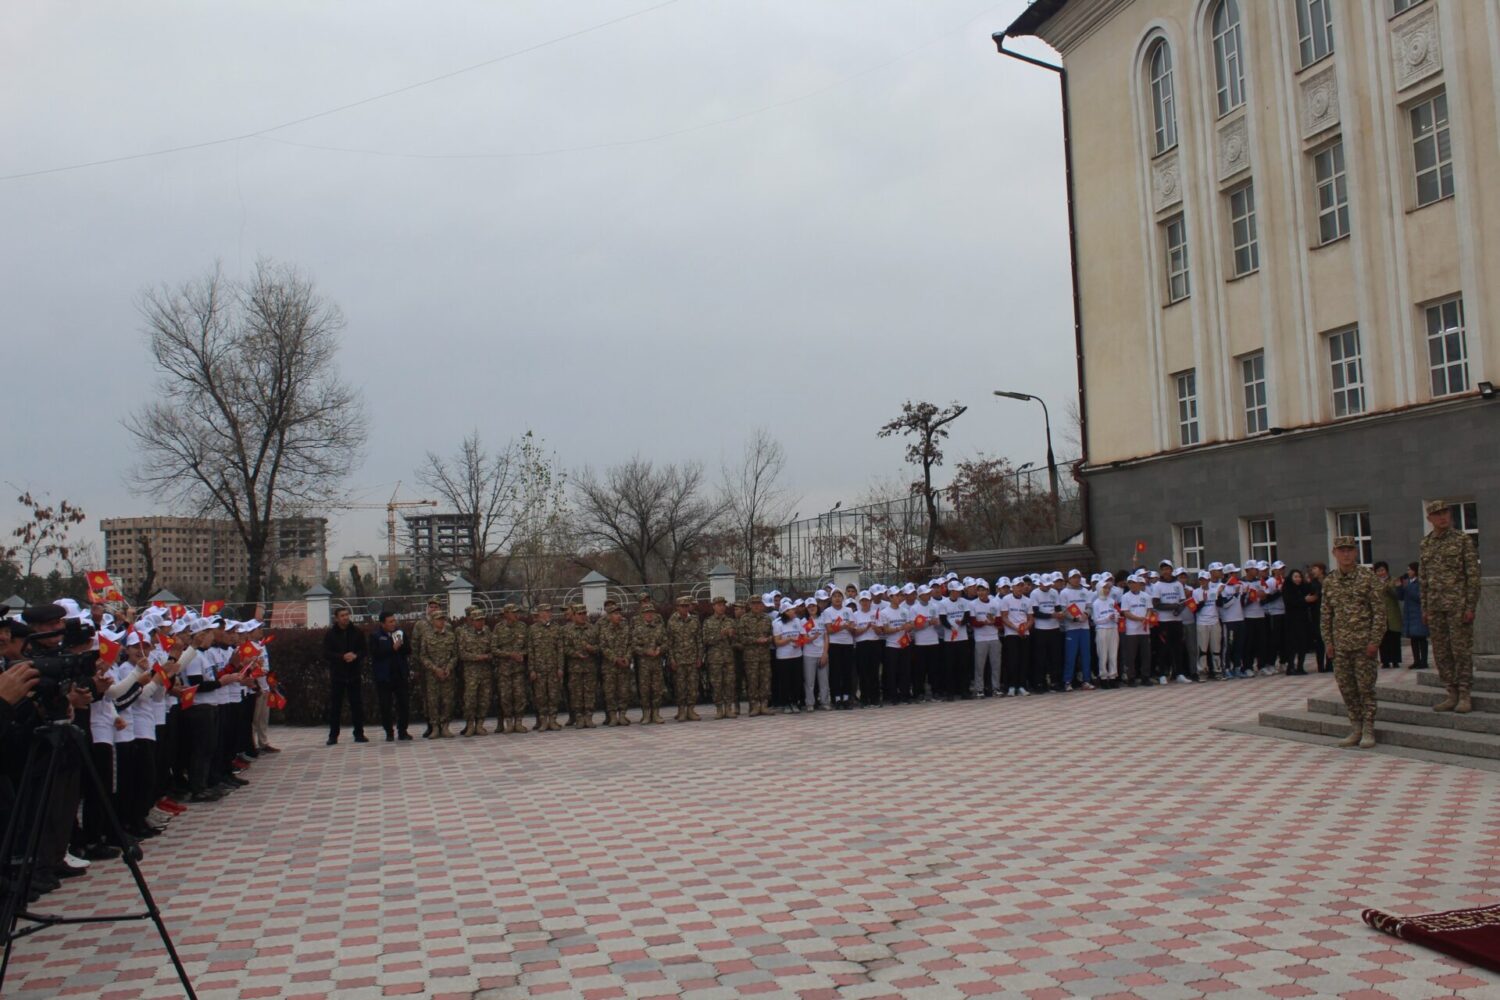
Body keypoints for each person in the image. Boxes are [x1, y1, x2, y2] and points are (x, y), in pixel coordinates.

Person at [1322, 535, 1386, 748]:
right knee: (1347, 688)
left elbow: (1379, 613)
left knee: (1366, 688)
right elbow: (1326, 615)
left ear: (1356, 552)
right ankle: (1355, 727)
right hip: (1341, 645)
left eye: (1350, 549)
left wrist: (1375, 641)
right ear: (1335, 553)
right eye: (1342, 550)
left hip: (1363, 644)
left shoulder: (1368, 578)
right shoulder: (1330, 581)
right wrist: (1328, 642)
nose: (1346, 554)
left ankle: (1368, 729)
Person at [1420, 499, 1481, 713]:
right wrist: (1425, 607)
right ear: (1430, 519)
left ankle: (1465, 693)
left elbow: (1473, 576)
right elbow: (1424, 578)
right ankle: (1451, 691)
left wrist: (1470, 605)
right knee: (1441, 652)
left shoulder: (1462, 540)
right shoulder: (1426, 544)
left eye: (1445, 513)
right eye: (1437, 514)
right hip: (1436, 607)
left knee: (1460, 650)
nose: (1442, 517)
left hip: (1458, 606)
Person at [321, 607, 368, 745]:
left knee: (356, 705)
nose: (345, 618)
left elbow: (364, 650)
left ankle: (359, 733)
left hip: (354, 673)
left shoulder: (357, 632)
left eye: (347, 615)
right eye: (342, 615)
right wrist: (341, 656)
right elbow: (326, 653)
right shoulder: (330, 634)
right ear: (337, 618)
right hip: (338, 674)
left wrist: (355, 656)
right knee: (336, 707)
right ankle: (333, 735)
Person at [370, 611, 412, 741]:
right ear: (383, 623)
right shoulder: (376, 636)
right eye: (390, 621)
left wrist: (401, 645)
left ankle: (403, 731)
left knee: (404, 704)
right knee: (385, 706)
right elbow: (375, 653)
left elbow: (408, 650)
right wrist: (392, 648)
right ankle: (389, 731)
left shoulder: (400, 633)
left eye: (394, 621)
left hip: (400, 675)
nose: (394, 623)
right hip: (384, 676)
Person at [489, 604, 530, 733]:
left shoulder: (523, 627)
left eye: (517, 612)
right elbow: (494, 649)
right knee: (505, 696)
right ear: (506, 614)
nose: (516, 615)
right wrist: (509, 655)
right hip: (504, 670)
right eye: (513, 612)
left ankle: (519, 722)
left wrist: (521, 654)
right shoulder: (498, 628)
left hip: (518, 669)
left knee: (519, 696)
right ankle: (509, 723)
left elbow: (529, 647)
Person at [419, 610, 458, 737]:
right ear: (433, 621)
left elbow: (455, 655)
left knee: (448, 701)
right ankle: (435, 727)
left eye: (443, 619)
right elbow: (423, 656)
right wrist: (435, 669)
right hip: (433, 675)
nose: (441, 621)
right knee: (433, 701)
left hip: (447, 674)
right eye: (438, 619)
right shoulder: (427, 636)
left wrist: (449, 668)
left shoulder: (451, 636)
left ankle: (445, 726)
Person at [527, 605, 565, 731]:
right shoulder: (532, 629)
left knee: (554, 695)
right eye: (547, 612)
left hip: (553, 668)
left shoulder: (556, 628)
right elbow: (530, 651)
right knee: (541, 696)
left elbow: (560, 650)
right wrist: (531, 669)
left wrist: (560, 667)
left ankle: (553, 720)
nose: (549, 614)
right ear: (540, 613)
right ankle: (543, 721)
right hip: (539, 670)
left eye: (550, 611)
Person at [456, 606, 493, 736]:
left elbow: (493, 649)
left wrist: (488, 656)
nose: (480, 622)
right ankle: (470, 724)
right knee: (470, 699)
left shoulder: (488, 632)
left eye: (482, 620)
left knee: (484, 699)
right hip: (471, 672)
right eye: (477, 620)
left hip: (485, 672)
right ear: (471, 621)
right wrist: (477, 657)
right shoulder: (464, 634)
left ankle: (480, 725)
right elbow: (461, 653)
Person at [597, 602, 635, 726]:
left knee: (624, 691)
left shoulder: (626, 629)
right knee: (610, 692)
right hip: (610, 667)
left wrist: (627, 658)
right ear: (609, 616)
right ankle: (613, 716)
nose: (618, 616)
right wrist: (615, 659)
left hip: (624, 666)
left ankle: (623, 715)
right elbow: (603, 647)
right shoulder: (604, 631)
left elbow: (630, 645)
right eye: (615, 613)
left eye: (619, 613)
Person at [562, 605, 600, 729]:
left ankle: (588, 717)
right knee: (576, 693)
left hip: (590, 667)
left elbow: (600, 646)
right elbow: (564, 648)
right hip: (575, 668)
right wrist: (575, 653)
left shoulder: (593, 629)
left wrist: (591, 648)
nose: (583, 616)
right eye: (580, 614)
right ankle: (578, 717)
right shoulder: (567, 630)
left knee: (589, 692)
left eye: (584, 613)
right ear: (574, 615)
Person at [631, 602, 669, 724]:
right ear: (642, 614)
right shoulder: (638, 630)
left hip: (656, 663)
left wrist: (660, 649)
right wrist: (645, 651)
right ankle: (646, 714)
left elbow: (666, 643)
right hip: (643, 664)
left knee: (657, 688)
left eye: (651, 612)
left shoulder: (659, 628)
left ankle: (656, 713)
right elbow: (634, 646)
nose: (649, 615)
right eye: (646, 613)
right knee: (644, 689)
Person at [736, 594, 774, 716]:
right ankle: (754, 706)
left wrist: (768, 639)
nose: (757, 606)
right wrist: (755, 640)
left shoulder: (767, 619)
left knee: (765, 680)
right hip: (750, 656)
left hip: (764, 655)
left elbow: (773, 635)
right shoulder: (745, 619)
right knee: (752, 681)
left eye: (759, 603)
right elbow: (741, 637)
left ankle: (764, 705)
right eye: (754, 604)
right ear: (750, 605)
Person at [666, 596, 703, 721]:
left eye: (687, 606)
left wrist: (699, 657)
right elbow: (669, 643)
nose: (685, 608)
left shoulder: (694, 621)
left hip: (692, 659)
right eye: (682, 606)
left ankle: (691, 710)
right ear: (677, 607)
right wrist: (671, 659)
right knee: (680, 687)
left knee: (693, 686)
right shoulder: (672, 622)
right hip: (679, 659)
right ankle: (681, 710)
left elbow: (699, 640)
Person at [701, 596, 738, 719]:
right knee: (717, 684)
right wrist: (720, 635)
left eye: (723, 605)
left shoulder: (730, 621)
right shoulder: (708, 622)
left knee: (729, 683)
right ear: (714, 606)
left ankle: (728, 708)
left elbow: (736, 640)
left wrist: (732, 635)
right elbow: (705, 640)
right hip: (715, 659)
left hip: (728, 658)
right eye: (719, 605)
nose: (722, 607)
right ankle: (719, 709)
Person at [1119, 573, 1152, 686]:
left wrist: (1147, 617)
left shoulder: (1146, 596)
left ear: (1139, 584)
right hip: (1131, 630)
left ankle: (1145, 677)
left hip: (1144, 629)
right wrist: (1139, 619)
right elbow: (1126, 612)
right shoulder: (1125, 597)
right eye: (1130, 583)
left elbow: (1149, 609)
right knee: (1131, 655)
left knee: (1145, 654)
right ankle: (1131, 677)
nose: (1133, 585)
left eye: (1134, 583)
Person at [1396, 563, 1429, 671]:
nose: (1408, 572)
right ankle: (1416, 661)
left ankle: (1424, 661)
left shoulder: (1420, 582)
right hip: (1409, 614)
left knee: (1421, 638)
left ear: (1415, 571)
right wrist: (1399, 587)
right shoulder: (1407, 582)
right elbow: (1401, 597)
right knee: (1413, 639)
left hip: (1418, 613)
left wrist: (1407, 587)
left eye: (1409, 569)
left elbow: (1419, 597)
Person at [1281, 569, 1314, 675]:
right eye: (1295, 577)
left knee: (1303, 644)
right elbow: (1290, 602)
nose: (1298, 579)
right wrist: (1304, 600)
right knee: (1292, 644)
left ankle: (1300, 666)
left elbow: (1312, 593)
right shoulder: (1287, 588)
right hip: (1291, 620)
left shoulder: (1303, 587)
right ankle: (1290, 666)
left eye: (1299, 577)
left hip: (1303, 619)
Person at [1373, 562, 1404, 670]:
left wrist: (1389, 588)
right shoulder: (1374, 583)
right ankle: (1385, 661)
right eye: (1378, 571)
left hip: (1393, 614)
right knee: (1383, 639)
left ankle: (1395, 660)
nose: (1381, 573)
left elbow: (1398, 596)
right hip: (1380, 614)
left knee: (1394, 638)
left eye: (1382, 570)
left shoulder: (1393, 580)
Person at [1091, 576, 1120, 687]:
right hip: (1102, 630)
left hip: (1113, 629)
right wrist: (1107, 618)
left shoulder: (1112, 601)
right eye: (1105, 588)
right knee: (1103, 654)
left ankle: (1113, 676)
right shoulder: (1096, 603)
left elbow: (1117, 614)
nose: (1107, 590)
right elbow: (1096, 620)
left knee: (1113, 654)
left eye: (1108, 588)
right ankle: (1103, 677)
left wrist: (1115, 617)